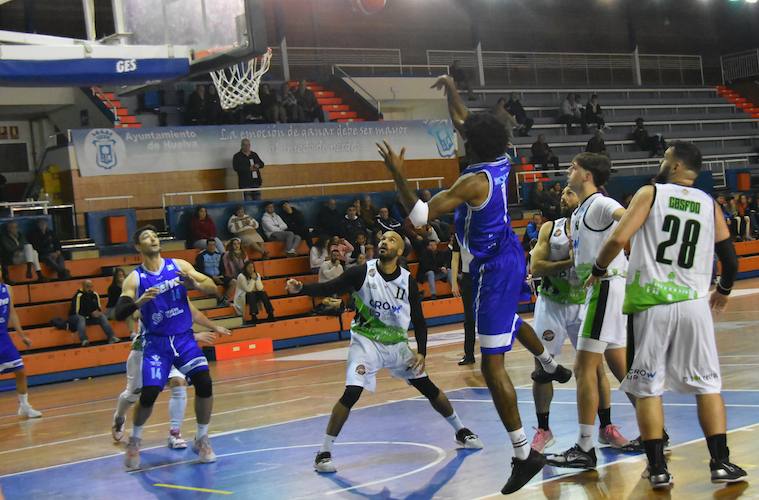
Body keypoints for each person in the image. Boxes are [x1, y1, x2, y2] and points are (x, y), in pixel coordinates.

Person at [378, 74, 576, 494]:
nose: (460, 136)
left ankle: (524, 454)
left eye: (464, 137)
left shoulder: (471, 181)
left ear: (472, 146)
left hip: (490, 268)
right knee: (508, 324)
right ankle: (547, 363)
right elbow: (467, 121)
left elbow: (418, 218)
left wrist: (398, 174)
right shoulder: (502, 158)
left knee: (491, 364)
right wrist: (451, 91)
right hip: (507, 251)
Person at [588, 142, 747, 488]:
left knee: (648, 389)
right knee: (708, 386)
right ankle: (721, 462)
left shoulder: (651, 193)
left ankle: (658, 468)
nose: (660, 163)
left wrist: (598, 268)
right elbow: (730, 258)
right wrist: (724, 288)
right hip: (693, 305)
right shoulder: (709, 203)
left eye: (664, 159)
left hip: (652, 303)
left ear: (675, 166)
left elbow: (618, 239)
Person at [286, 231, 484, 474]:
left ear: (400, 252)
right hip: (366, 341)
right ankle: (323, 453)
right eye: (383, 239)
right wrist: (301, 288)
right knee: (352, 392)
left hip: (396, 344)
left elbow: (419, 321)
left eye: (392, 240)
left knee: (429, 388)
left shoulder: (407, 280)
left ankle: (461, 431)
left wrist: (422, 352)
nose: (384, 242)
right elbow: (330, 286)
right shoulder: (361, 272)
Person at [545, 153, 637, 469]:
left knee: (584, 368)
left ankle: (585, 447)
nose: (568, 170)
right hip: (600, 291)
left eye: (573, 167)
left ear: (586, 175)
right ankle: (656, 432)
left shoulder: (599, 204)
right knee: (621, 368)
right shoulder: (580, 211)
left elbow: (627, 215)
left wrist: (615, 257)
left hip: (606, 287)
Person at [115, 225, 224, 470]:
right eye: (146, 237)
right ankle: (135, 440)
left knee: (204, 382)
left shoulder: (179, 266)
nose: (152, 239)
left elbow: (212, 287)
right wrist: (139, 302)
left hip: (184, 338)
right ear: (138, 247)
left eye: (155, 236)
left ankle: (202, 437)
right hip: (156, 343)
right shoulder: (136, 278)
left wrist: (194, 283)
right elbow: (119, 312)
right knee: (150, 393)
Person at [528, 186, 627, 453]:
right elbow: (535, 267)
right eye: (563, 192)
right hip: (553, 304)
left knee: (595, 368)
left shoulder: (594, 227)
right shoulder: (551, 227)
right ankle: (544, 429)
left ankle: (606, 427)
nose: (563, 195)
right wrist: (567, 263)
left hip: (584, 302)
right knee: (542, 368)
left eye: (570, 192)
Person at [111, 303, 229, 448]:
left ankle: (175, 433)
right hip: (146, 350)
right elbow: (137, 316)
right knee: (134, 393)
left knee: (179, 383)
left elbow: (195, 314)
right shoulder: (148, 293)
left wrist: (214, 326)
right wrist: (195, 336)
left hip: (174, 349)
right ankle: (119, 416)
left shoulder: (177, 292)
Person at [0, 266, 41, 418]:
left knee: (20, 370)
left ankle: (24, 406)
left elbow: (12, 313)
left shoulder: (7, 289)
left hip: (3, 337)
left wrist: (22, 336)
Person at [69, 279, 119, 347]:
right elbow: (77, 311)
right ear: (83, 286)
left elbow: (98, 308)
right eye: (87, 286)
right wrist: (90, 313)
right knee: (81, 318)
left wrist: (97, 313)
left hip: (89, 318)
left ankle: (111, 337)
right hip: (75, 317)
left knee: (102, 316)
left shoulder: (95, 294)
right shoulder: (78, 296)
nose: (89, 287)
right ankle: (84, 340)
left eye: (90, 286)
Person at [450, 236, 475, 365]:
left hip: (485, 275)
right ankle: (469, 354)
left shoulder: (484, 227)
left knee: (490, 316)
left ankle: (495, 352)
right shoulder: (458, 235)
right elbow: (455, 259)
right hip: (468, 278)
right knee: (469, 318)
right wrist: (454, 282)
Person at [194, 239, 228, 307]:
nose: (212, 247)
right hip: (207, 277)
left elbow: (223, 268)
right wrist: (213, 277)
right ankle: (221, 299)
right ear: (207, 246)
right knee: (211, 283)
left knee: (234, 282)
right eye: (210, 245)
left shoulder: (219, 255)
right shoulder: (201, 256)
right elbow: (200, 271)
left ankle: (225, 298)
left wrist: (221, 275)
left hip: (219, 276)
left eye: (214, 245)